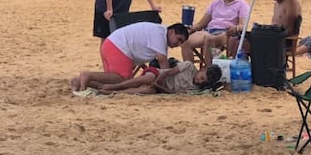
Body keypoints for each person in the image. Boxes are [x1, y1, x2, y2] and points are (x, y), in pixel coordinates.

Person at [72, 22, 189, 92]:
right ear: (171, 32)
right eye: (179, 39)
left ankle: (79, 81)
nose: (178, 44)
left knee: (113, 82)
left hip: (113, 44)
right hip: (119, 47)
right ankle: (88, 75)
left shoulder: (159, 32)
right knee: (123, 80)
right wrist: (168, 83)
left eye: (181, 42)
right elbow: (163, 61)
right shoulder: (159, 35)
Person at [180, 0, 251, 66]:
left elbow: (243, 25)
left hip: (227, 33)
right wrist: (188, 30)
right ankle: (189, 70)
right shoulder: (215, 3)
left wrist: (236, 28)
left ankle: (209, 69)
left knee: (209, 39)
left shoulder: (242, 5)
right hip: (210, 30)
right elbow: (202, 24)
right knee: (185, 42)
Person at [228, 0, 302, 57]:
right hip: (272, 36)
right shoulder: (276, 4)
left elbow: (289, 30)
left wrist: (267, 33)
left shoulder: (291, 2)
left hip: (282, 41)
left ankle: (247, 64)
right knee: (235, 40)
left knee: (242, 44)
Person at [95, 62, 223, 94]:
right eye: (201, 77)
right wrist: (156, 81)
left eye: (203, 82)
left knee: (147, 91)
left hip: (160, 87)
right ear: (202, 69)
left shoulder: (194, 89)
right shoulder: (188, 66)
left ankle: (115, 91)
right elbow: (168, 73)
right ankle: (114, 86)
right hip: (157, 74)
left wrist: (158, 87)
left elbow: (173, 92)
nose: (199, 81)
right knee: (148, 79)